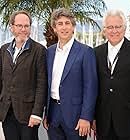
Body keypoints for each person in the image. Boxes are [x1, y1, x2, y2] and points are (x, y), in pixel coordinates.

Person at [43, 8, 98, 140]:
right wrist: (46, 113)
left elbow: (91, 88)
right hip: (53, 114)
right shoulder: (49, 52)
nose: (64, 27)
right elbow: (48, 84)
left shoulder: (85, 52)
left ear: (73, 27)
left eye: (67, 23)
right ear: (54, 28)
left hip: (76, 116)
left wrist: (86, 117)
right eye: (60, 24)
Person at [0, 10, 47, 140]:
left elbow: (42, 83)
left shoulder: (39, 50)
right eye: (19, 26)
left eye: (26, 26)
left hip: (28, 114)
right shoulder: (4, 50)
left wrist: (37, 113)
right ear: (12, 28)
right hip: (7, 112)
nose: (23, 29)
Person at [94, 9, 130, 140]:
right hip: (103, 121)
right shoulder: (95, 53)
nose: (114, 30)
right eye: (110, 27)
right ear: (104, 30)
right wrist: (92, 117)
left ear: (124, 28)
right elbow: (93, 87)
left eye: (118, 26)